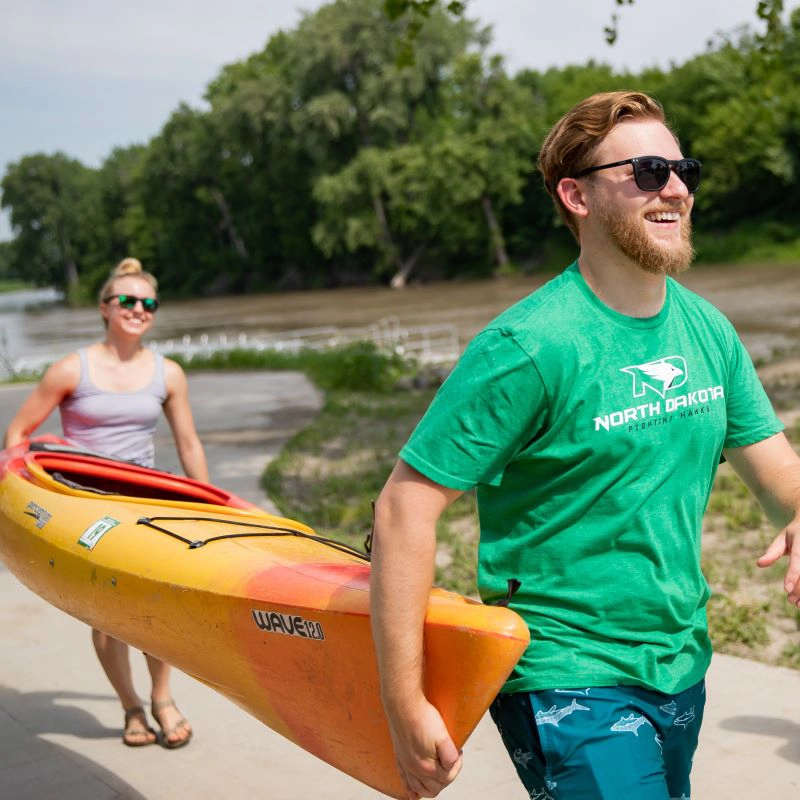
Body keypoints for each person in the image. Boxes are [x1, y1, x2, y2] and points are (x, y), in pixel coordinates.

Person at [369, 91, 800, 800]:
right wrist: (402, 697)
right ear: (576, 195)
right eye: (648, 169)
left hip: (678, 655)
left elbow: (772, 462)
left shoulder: (708, 331)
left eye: (683, 168)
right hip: (566, 673)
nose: (675, 188)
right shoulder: (527, 346)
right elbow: (404, 508)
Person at [4, 257, 209, 749]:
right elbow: (18, 433)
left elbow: (189, 444)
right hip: (85, 505)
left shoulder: (169, 373)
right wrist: (24, 495)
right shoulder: (71, 369)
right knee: (106, 616)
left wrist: (208, 505)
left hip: (146, 501)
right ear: (104, 308)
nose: (139, 309)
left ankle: (162, 696)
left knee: (159, 604)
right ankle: (131, 706)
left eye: (149, 303)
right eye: (128, 301)